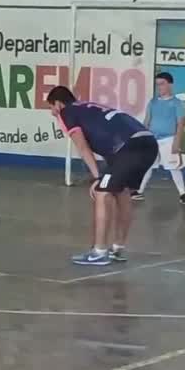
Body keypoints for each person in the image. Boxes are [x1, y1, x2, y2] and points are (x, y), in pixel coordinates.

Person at [45, 86, 159, 266]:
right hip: (147, 142)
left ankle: (99, 252)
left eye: (51, 107)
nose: (52, 113)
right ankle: (118, 249)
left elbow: (83, 148)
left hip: (127, 147)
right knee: (122, 191)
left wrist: (97, 177)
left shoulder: (67, 113)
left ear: (58, 104)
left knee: (101, 192)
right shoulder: (89, 107)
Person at [134, 72, 185, 204]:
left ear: (170, 84)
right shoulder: (153, 102)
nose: (159, 87)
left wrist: (177, 142)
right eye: (157, 84)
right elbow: (147, 121)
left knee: (174, 168)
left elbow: (181, 123)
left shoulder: (176, 103)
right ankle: (139, 191)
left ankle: (183, 194)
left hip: (169, 139)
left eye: (162, 84)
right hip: (152, 139)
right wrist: (143, 138)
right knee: (147, 166)